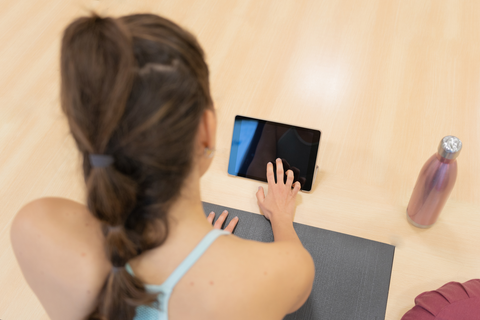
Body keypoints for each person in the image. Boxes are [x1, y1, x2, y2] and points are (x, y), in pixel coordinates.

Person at [10, 13, 315, 320]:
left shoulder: (34, 226)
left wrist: (206, 256)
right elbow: (296, 272)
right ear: (206, 129)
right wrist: (280, 218)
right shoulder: (280, 273)